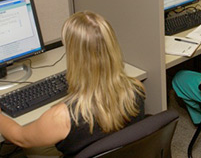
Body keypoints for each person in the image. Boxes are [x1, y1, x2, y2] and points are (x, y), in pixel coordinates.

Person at [0, 11, 146, 157]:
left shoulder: (63, 117)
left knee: (32, 148)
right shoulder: (137, 88)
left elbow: (20, 138)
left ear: (75, 57)